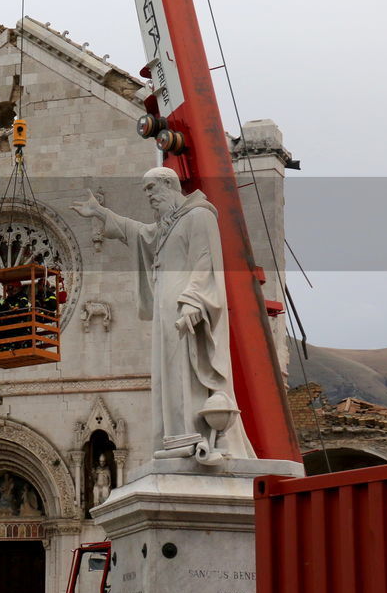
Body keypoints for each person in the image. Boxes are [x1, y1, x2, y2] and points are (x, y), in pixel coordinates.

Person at [72, 168, 253, 462]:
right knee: (167, 374)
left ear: (170, 185)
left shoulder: (199, 216)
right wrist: (100, 213)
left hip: (186, 308)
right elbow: (138, 233)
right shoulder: (168, 225)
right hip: (165, 312)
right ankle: (174, 437)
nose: (149, 196)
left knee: (186, 371)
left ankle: (193, 436)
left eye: (152, 188)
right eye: (145, 190)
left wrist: (194, 301)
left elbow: (205, 261)